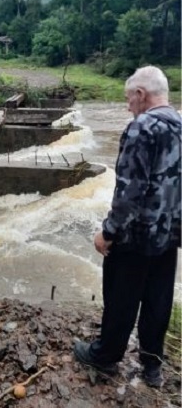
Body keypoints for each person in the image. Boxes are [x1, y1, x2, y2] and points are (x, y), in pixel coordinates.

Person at [73, 65, 181, 388]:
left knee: (121, 297)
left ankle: (106, 356)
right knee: (158, 300)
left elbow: (129, 193)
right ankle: (152, 365)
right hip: (169, 234)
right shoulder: (180, 124)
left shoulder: (141, 129)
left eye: (128, 99)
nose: (127, 106)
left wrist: (108, 232)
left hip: (135, 236)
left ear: (141, 94)